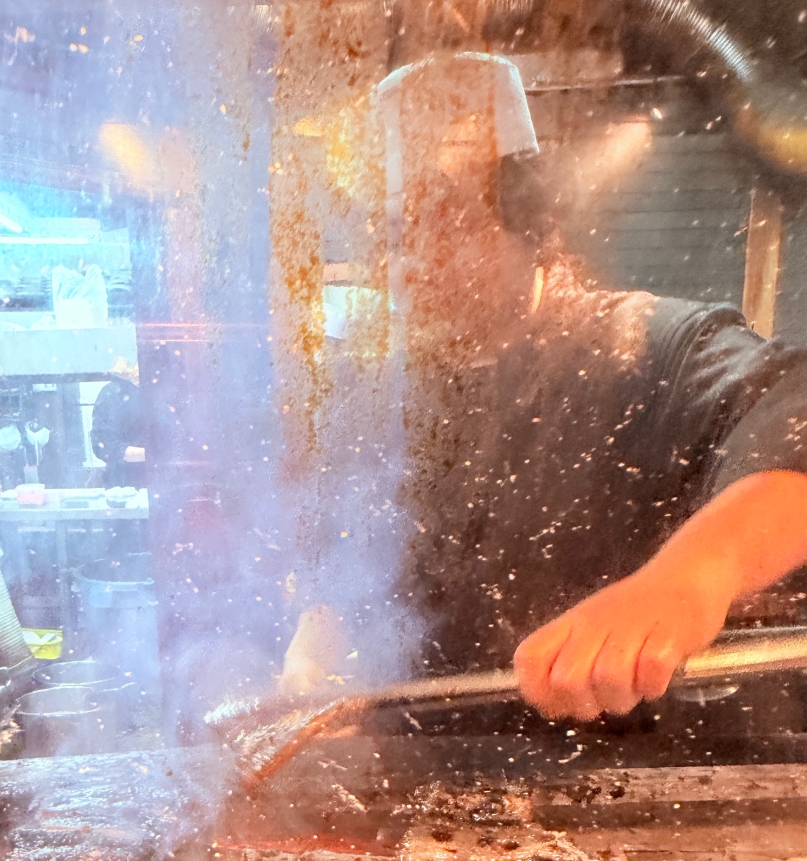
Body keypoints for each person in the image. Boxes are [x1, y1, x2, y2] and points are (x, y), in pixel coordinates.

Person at [278, 51, 807, 723]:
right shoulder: (381, 402)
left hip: (621, 768)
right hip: (420, 769)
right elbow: (343, 560)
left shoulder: (646, 346)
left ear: (527, 217)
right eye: (393, 235)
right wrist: (317, 642)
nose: (409, 263)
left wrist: (691, 575)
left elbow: (793, 417)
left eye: (444, 223)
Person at [89, 378, 146, 489]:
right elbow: (104, 445)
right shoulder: (113, 392)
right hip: (128, 488)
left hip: (170, 482)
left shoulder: (166, 388)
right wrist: (152, 455)